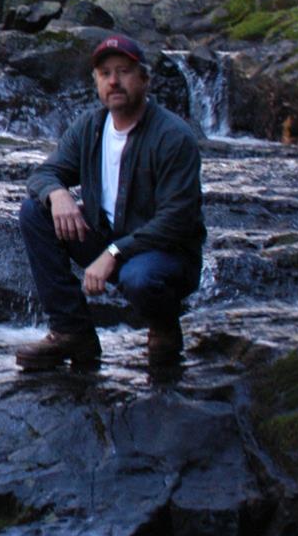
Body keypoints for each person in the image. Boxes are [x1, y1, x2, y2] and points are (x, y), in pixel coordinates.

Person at [15, 33, 205, 370]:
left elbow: (177, 220)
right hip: (108, 239)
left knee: (139, 279)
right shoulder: (90, 127)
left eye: (123, 71)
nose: (114, 81)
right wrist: (57, 193)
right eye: (105, 74)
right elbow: (44, 174)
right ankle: (72, 332)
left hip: (163, 255)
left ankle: (164, 329)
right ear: (97, 83)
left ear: (144, 79)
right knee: (35, 211)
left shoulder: (174, 137)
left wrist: (113, 253)